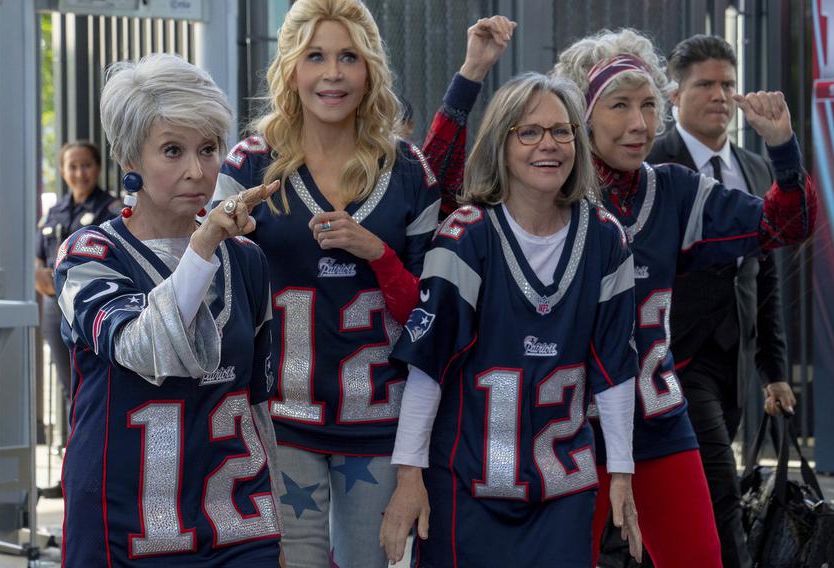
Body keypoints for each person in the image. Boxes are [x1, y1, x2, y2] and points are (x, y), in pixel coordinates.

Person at [214, 1, 514, 565]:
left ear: (370, 68)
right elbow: (216, 299)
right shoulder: (249, 164)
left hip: (379, 424)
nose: (332, 73)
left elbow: (431, 316)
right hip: (280, 420)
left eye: (349, 56)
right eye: (316, 56)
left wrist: (377, 253)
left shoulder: (407, 171)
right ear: (291, 68)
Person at [551, 28, 815, 567]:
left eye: (649, 104)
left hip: (656, 417)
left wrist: (783, 151)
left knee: (700, 556)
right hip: (570, 422)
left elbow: (784, 225)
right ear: (582, 112)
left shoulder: (671, 188)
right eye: (619, 105)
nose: (639, 124)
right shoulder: (547, 191)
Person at [378, 72, 642, 568]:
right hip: (466, 486)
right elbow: (428, 365)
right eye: (529, 131)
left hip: (561, 490)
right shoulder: (467, 235)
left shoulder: (606, 237)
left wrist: (622, 473)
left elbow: (614, 368)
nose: (549, 145)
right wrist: (409, 474)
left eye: (561, 131)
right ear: (501, 143)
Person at [54, 53, 283, 567]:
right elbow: (146, 346)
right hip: (124, 531)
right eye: (173, 150)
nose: (197, 171)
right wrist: (203, 246)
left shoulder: (247, 259)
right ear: (129, 158)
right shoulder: (89, 254)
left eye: (208, 149)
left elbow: (257, 405)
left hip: (238, 528)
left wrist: (279, 525)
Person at [646, 34, 796, 568]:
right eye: (704, 84)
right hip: (672, 358)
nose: (719, 94)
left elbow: (767, 275)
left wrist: (773, 369)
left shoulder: (755, 170)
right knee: (719, 490)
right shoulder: (651, 163)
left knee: (688, 497)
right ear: (674, 94)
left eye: (728, 84)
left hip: (732, 361)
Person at [35, 141, 119, 412]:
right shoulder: (54, 211)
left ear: (98, 168)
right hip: (54, 307)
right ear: (62, 171)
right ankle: (73, 447)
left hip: (91, 307)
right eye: (73, 166)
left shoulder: (110, 209)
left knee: (93, 385)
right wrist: (38, 275)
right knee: (67, 384)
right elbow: (38, 256)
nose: (80, 173)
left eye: (86, 165)